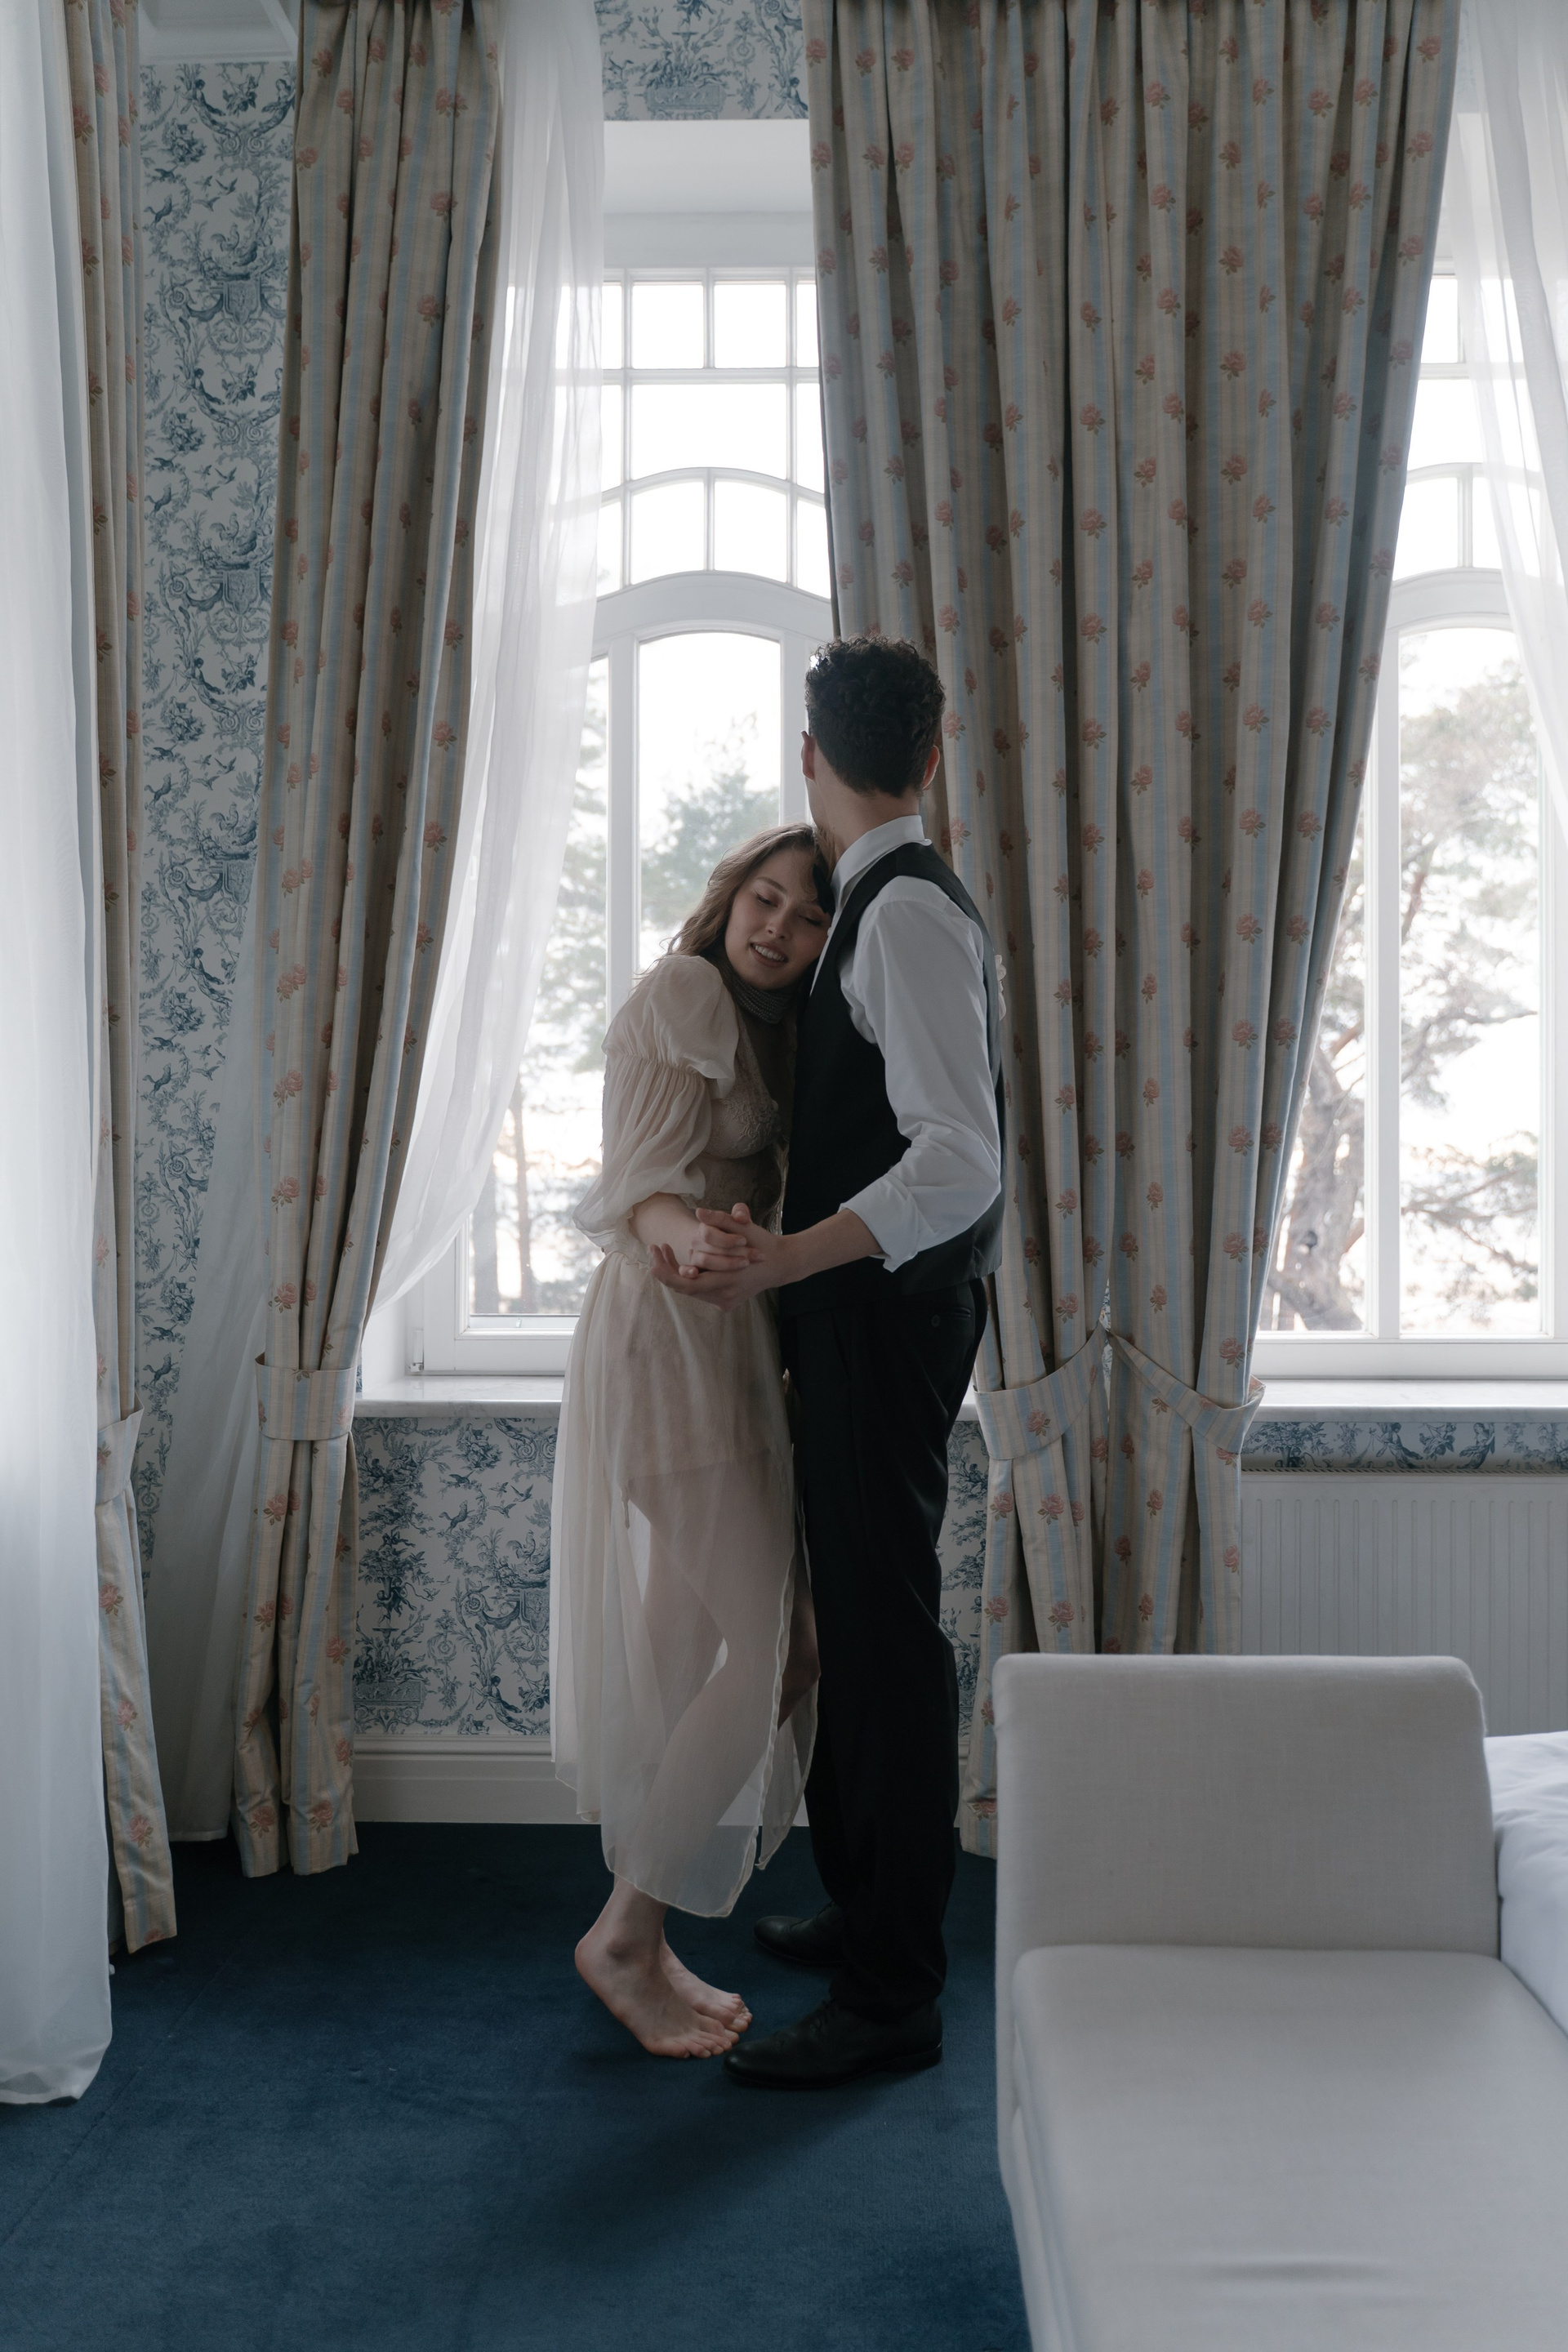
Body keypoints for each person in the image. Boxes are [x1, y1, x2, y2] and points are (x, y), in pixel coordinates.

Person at [650, 636, 1004, 2089]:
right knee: (858, 1634)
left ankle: (893, 1992)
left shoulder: (902, 914)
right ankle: (866, 1910)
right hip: (863, 1320)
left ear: (811, 756)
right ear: (931, 755)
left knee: (885, 1643)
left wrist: (789, 1260)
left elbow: (961, 1160)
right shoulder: (876, 901)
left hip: (883, 1321)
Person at [552, 824, 831, 2060]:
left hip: (728, 1345)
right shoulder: (685, 992)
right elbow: (641, 1185)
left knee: (683, 1646)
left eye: (808, 917)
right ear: (730, 898)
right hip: (666, 1340)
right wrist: (685, 1240)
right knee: (785, 1648)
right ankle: (626, 1935)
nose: (778, 928)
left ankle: (641, 1930)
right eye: (766, 899)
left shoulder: (783, 1027)